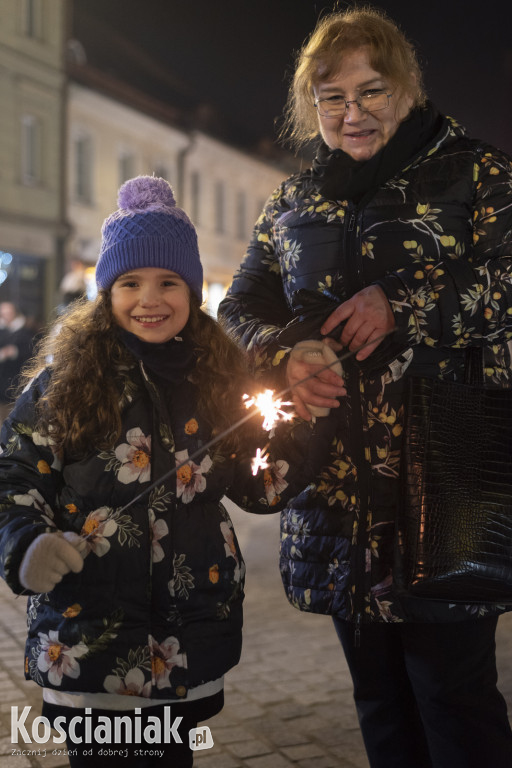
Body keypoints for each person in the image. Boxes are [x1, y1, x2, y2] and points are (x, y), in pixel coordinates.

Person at [218, 7, 512, 768]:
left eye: (371, 91)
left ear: (406, 88)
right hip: (337, 476)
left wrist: (403, 303)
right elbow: (239, 306)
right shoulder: (294, 203)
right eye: (332, 98)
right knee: (378, 697)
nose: (353, 113)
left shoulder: (478, 174)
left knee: (456, 695)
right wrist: (287, 353)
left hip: (448, 468)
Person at [0, 176, 333, 767]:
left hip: (187, 636)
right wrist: (24, 544)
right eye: (130, 283)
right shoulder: (64, 385)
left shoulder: (217, 382)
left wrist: (302, 422)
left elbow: (260, 485)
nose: (149, 299)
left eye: (168, 282)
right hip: (88, 639)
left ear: (192, 290)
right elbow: (14, 477)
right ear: (106, 293)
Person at [0, 301, 35, 423]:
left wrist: (14, 351)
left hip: (17, 380)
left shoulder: (25, 331)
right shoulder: (2, 331)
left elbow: (31, 352)